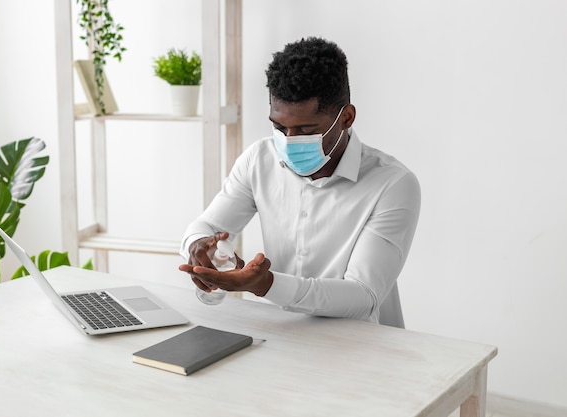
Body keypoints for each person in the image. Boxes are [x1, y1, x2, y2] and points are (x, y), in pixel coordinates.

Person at [178, 37, 420, 328]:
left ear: (346, 117)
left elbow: (364, 296)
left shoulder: (393, 184)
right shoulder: (259, 159)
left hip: (363, 346)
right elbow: (205, 228)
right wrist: (197, 247)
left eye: (306, 130)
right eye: (280, 127)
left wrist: (266, 284)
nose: (289, 142)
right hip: (280, 338)